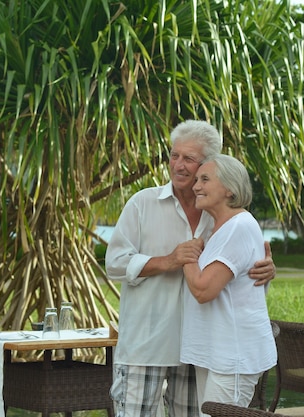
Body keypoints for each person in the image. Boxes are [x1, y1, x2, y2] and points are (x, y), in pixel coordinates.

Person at [105, 120, 276, 417]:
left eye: (189, 159)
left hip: (198, 352)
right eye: (174, 156)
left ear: (207, 165)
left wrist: (265, 270)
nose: (179, 165)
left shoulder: (220, 215)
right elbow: (115, 264)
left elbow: (236, 277)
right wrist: (168, 261)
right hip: (147, 345)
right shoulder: (142, 203)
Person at [181, 154, 277, 411]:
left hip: (232, 355)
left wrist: (187, 257)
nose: (196, 186)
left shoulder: (237, 227)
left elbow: (203, 289)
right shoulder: (219, 228)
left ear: (230, 188)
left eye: (205, 179)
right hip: (217, 351)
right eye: (197, 179)